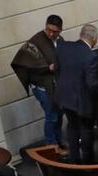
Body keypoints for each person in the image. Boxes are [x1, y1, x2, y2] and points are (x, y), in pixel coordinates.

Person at [11, 15, 63, 149]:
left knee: (59, 114)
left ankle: (59, 141)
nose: (51, 33)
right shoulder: (35, 41)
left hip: (56, 85)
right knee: (51, 115)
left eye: (54, 31)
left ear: (60, 30)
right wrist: (48, 67)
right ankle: (51, 145)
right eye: (48, 30)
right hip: (41, 86)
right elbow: (25, 63)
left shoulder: (60, 40)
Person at [55, 24, 98, 164]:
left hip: (64, 96)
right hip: (81, 99)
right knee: (86, 129)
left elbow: (57, 70)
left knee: (72, 126)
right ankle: (88, 160)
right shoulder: (90, 55)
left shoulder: (63, 47)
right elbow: (91, 83)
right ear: (94, 38)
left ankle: (74, 157)